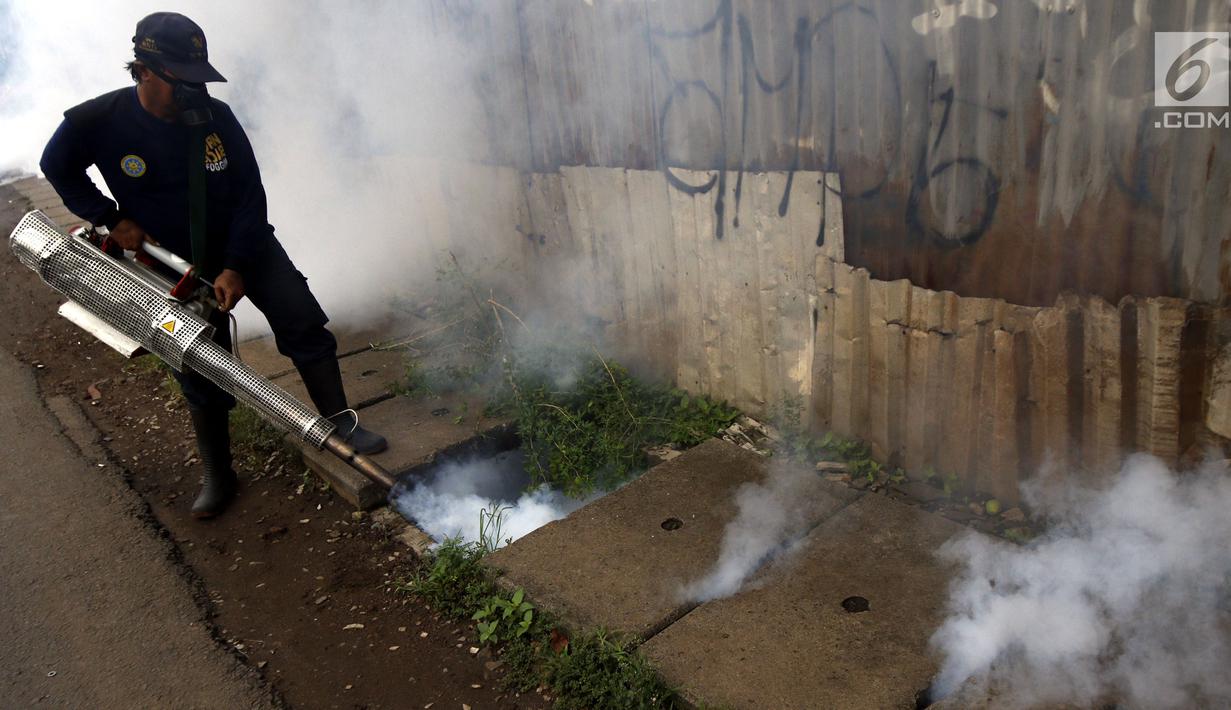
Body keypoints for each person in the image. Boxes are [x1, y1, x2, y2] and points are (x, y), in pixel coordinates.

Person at [39, 12, 387, 519]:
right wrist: (108, 217)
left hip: (244, 245)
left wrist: (238, 265)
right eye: (184, 79)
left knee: (302, 320)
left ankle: (340, 419)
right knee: (199, 365)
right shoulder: (97, 120)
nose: (194, 92)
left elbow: (250, 193)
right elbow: (57, 166)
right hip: (171, 265)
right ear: (147, 71)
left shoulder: (215, 117)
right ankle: (219, 474)